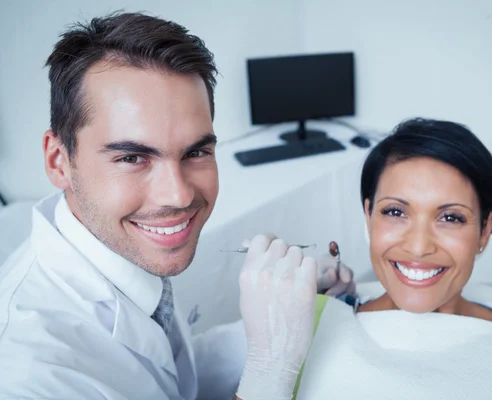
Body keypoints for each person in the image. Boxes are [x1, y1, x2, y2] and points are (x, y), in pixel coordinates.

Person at [0, 12, 354, 400]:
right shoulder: (26, 374)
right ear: (58, 160)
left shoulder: (113, 249)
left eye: (196, 151)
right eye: (133, 158)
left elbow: (164, 374)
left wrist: (277, 318)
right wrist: (269, 371)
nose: (179, 196)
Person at [289, 118, 492, 399]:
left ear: (485, 230)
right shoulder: (297, 325)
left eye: (450, 217)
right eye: (395, 212)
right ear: (369, 216)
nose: (419, 246)